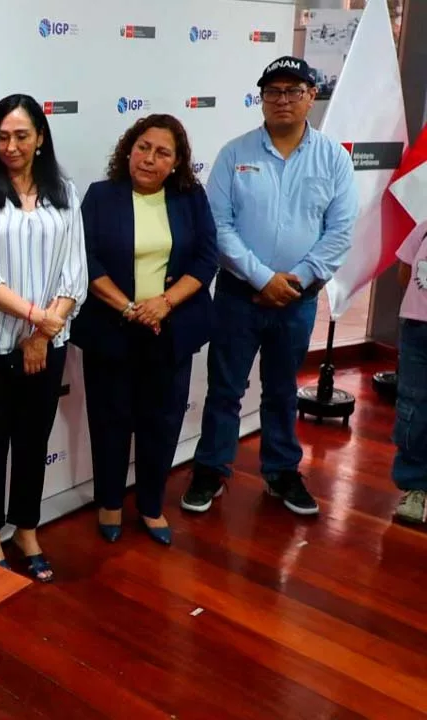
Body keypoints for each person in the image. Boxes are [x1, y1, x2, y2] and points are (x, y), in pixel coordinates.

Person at [180, 56, 358, 516]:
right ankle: (211, 468)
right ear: (261, 99)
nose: (281, 100)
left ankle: (281, 471)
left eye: (293, 92)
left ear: (310, 98)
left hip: (298, 300)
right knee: (225, 388)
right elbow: (218, 226)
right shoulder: (235, 154)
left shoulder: (334, 158)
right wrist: (262, 277)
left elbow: (339, 231)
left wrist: (292, 281)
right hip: (240, 296)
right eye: (272, 92)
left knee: (282, 389)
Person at [0, 93, 88, 581]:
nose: (11, 145)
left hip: (46, 342)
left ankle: (27, 528)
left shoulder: (64, 192)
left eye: (21, 135)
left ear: (41, 138)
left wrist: (43, 332)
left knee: (33, 438)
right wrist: (37, 318)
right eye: (2, 136)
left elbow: (75, 272)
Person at [71, 114, 217, 546]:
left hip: (170, 332)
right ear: (128, 150)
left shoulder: (190, 198)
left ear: (176, 163)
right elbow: (86, 260)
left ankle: (152, 506)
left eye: (162, 152)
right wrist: (132, 308)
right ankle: (110, 504)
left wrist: (164, 304)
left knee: (163, 421)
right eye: (143, 147)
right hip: (112, 329)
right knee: (110, 420)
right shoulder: (102, 196)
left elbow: (206, 259)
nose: (149, 158)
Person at [392, 226, 427, 524]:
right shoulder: (423, 228)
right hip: (418, 331)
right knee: (412, 407)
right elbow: (404, 273)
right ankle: (415, 486)